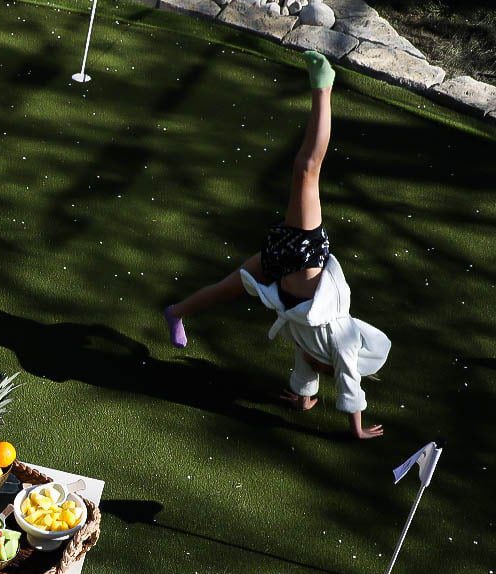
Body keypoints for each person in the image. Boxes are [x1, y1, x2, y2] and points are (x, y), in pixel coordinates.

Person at [162, 51, 390, 440]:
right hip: (302, 256)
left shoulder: (309, 349)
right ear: (332, 366)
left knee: (224, 289)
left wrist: (304, 400)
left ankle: (176, 312)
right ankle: (324, 87)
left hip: (278, 272)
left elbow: (304, 372)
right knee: (307, 169)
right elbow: (352, 387)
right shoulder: (342, 344)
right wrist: (358, 429)